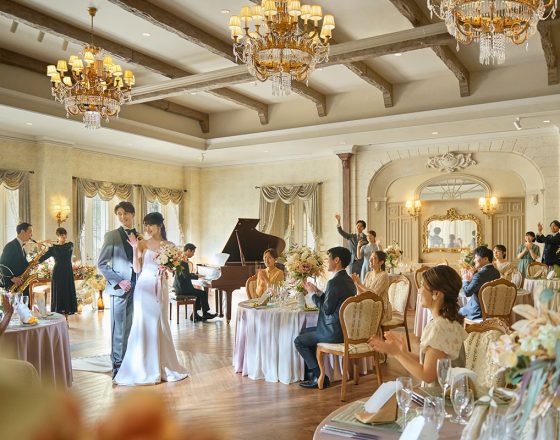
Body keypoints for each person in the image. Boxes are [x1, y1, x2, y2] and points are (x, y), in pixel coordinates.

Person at [114, 212, 188, 386]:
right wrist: (134, 248)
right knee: (143, 323)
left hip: (160, 286)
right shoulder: (142, 243)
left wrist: (167, 267)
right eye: (145, 225)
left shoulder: (170, 245)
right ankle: (143, 367)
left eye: (150, 225)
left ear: (159, 225)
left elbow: (174, 268)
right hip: (144, 287)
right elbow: (137, 269)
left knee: (160, 322)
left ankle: (163, 365)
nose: (147, 228)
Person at [369, 266, 467, 384]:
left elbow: (427, 375)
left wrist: (396, 353)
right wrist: (403, 353)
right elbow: (429, 363)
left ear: (436, 294)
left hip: (441, 394)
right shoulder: (447, 323)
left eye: (422, 286)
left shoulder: (439, 328)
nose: (419, 290)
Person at [294, 246, 356, 389]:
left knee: (299, 341)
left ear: (337, 260)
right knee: (304, 332)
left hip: (333, 332)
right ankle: (312, 373)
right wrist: (319, 292)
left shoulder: (334, 282)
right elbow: (333, 302)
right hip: (344, 329)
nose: (327, 261)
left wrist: (311, 294)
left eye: (329, 258)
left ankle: (319, 376)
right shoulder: (348, 280)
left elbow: (327, 310)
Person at [97, 201, 138, 379]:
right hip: (119, 290)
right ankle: (117, 367)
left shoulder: (139, 236)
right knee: (118, 330)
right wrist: (119, 281)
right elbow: (101, 263)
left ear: (132, 214)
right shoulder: (112, 235)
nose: (123, 217)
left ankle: (128, 363)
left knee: (130, 328)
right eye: (119, 214)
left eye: (125, 213)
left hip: (137, 289)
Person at [39, 228, 77, 321]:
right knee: (58, 293)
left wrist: (51, 245)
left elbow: (63, 252)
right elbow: (41, 259)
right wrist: (41, 247)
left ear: (66, 235)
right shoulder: (53, 248)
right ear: (57, 236)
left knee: (67, 293)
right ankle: (59, 319)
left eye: (64, 234)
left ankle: (66, 319)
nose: (63, 236)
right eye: (60, 235)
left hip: (67, 273)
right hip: (57, 273)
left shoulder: (69, 245)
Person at [173, 243, 217, 322]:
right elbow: (186, 276)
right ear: (188, 250)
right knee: (202, 293)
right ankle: (205, 314)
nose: (193, 254)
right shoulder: (183, 261)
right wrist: (197, 276)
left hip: (179, 286)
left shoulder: (180, 259)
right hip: (182, 288)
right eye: (193, 252)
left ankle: (195, 315)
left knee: (199, 293)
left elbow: (185, 275)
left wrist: (196, 275)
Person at [459, 246, 500, 320]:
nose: (474, 260)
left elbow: (467, 293)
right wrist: (473, 277)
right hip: (492, 310)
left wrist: (465, 280)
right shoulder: (496, 272)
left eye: (476, 257)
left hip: (477, 311)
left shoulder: (479, 275)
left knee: (455, 312)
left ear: (485, 259)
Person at [352, 251, 392, 324]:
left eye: (374, 258)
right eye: (370, 258)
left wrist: (360, 284)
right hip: (369, 305)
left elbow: (374, 295)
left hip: (381, 308)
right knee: (353, 312)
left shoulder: (384, 275)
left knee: (357, 316)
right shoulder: (368, 274)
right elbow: (361, 293)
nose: (370, 260)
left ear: (381, 262)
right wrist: (356, 283)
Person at [0, 222, 33, 295]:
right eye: (30, 232)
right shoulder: (11, 246)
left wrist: (31, 265)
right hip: (12, 285)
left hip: (20, 284)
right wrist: (12, 277)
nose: (31, 235)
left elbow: (20, 264)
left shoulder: (21, 247)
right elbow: (2, 264)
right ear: (22, 232)